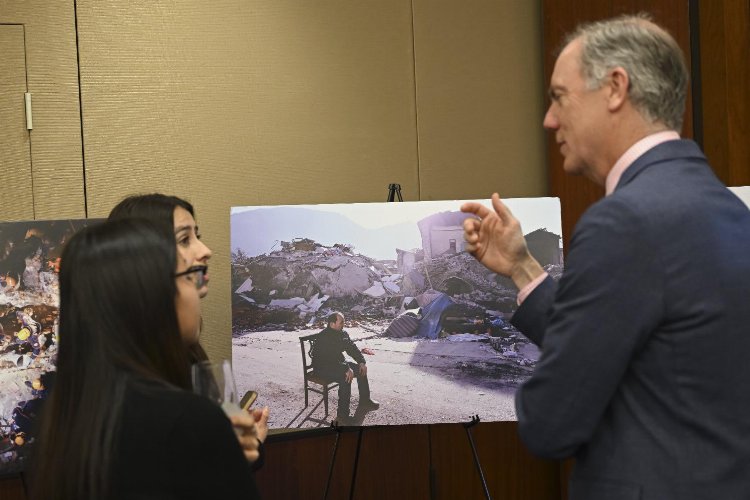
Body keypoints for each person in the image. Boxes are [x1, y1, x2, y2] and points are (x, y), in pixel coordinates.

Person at [461, 14, 750, 500]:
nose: (549, 119)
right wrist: (523, 267)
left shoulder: (623, 222)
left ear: (615, 88)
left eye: (559, 96)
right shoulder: (726, 209)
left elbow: (551, 423)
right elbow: (649, 360)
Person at [29, 219, 261, 499]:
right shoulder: (189, 420)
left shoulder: (61, 415)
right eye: (191, 276)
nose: (199, 292)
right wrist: (227, 459)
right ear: (153, 295)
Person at [109, 193, 269, 460]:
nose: (205, 250)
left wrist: (241, 447)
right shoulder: (134, 377)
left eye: (197, 235)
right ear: (142, 257)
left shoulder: (182, 346)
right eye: (185, 239)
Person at [311, 312, 378, 424]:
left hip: (336, 363)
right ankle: (342, 416)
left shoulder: (342, 333)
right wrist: (345, 368)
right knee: (346, 377)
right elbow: (329, 357)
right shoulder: (324, 337)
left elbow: (351, 348)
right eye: (341, 322)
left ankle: (365, 400)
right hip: (322, 367)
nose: (344, 324)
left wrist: (361, 361)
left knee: (360, 369)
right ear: (332, 324)